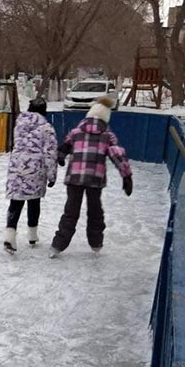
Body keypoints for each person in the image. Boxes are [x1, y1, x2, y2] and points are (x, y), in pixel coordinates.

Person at [50, 96, 133, 257]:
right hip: (95, 179)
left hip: (74, 178)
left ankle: (57, 245)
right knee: (95, 211)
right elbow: (118, 155)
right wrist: (126, 176)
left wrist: (60, 155)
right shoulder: (107, 136)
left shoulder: (76, 132)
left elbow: (64, 146)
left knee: (70, 211)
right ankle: (96, 243)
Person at [4, 97, 58, 253]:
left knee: (16, 202)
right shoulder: (47, 128)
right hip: (35, 169)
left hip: (16, 167)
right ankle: (32, 235)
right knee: (34, 202)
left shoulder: (19, 124)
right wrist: (52, 175)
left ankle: (9, 235)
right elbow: (50, 153)